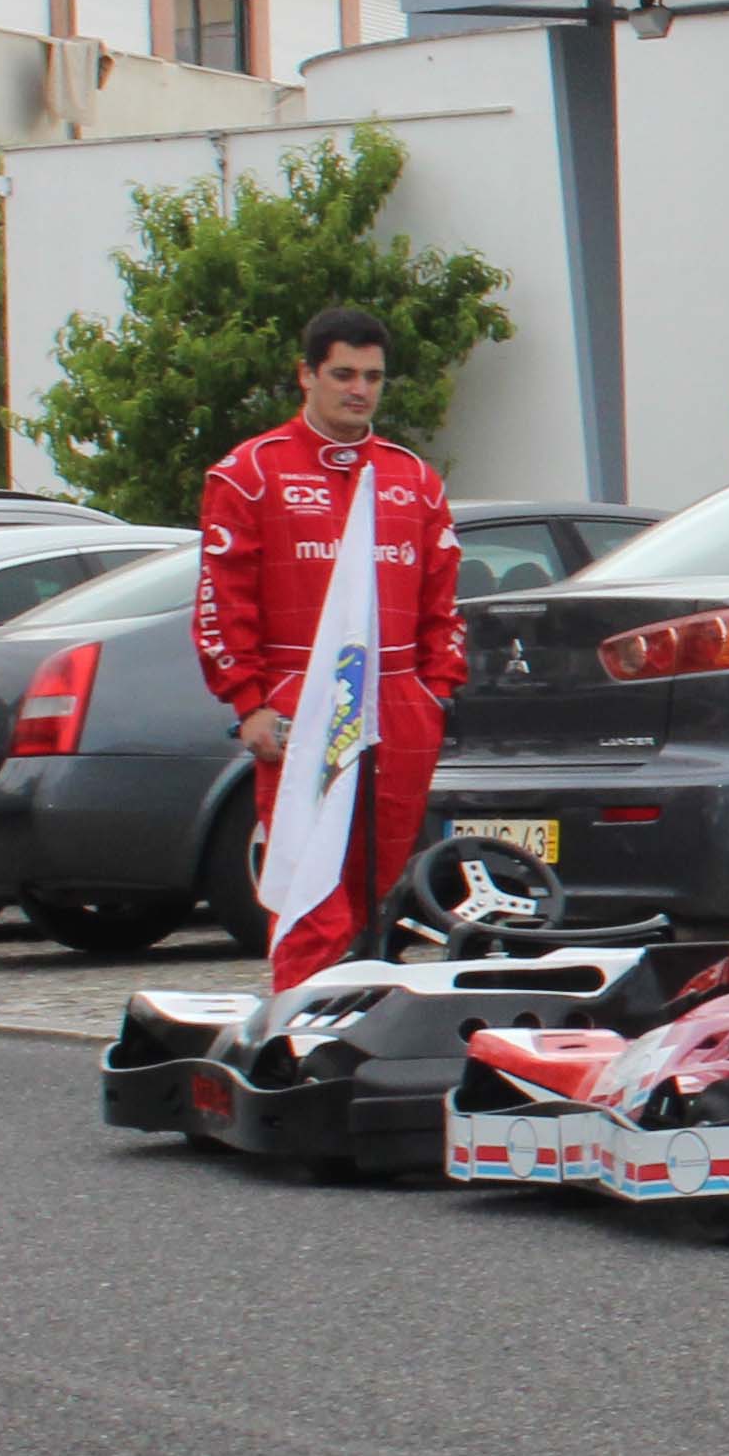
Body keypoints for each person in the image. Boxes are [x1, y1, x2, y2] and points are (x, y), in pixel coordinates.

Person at [193, 308, 465, 989]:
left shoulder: (414, 478)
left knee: (379, 877)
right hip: (302, 698)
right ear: (307, 375)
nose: (359, 390)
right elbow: (223, 600)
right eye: (343, 374)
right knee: (312, 884)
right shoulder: (251, 472)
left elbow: (443, 603)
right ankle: (301, 1023)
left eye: (372, 377)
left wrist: (433, 694)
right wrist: (250, 702)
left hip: (399, 699)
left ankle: (360, 1011)